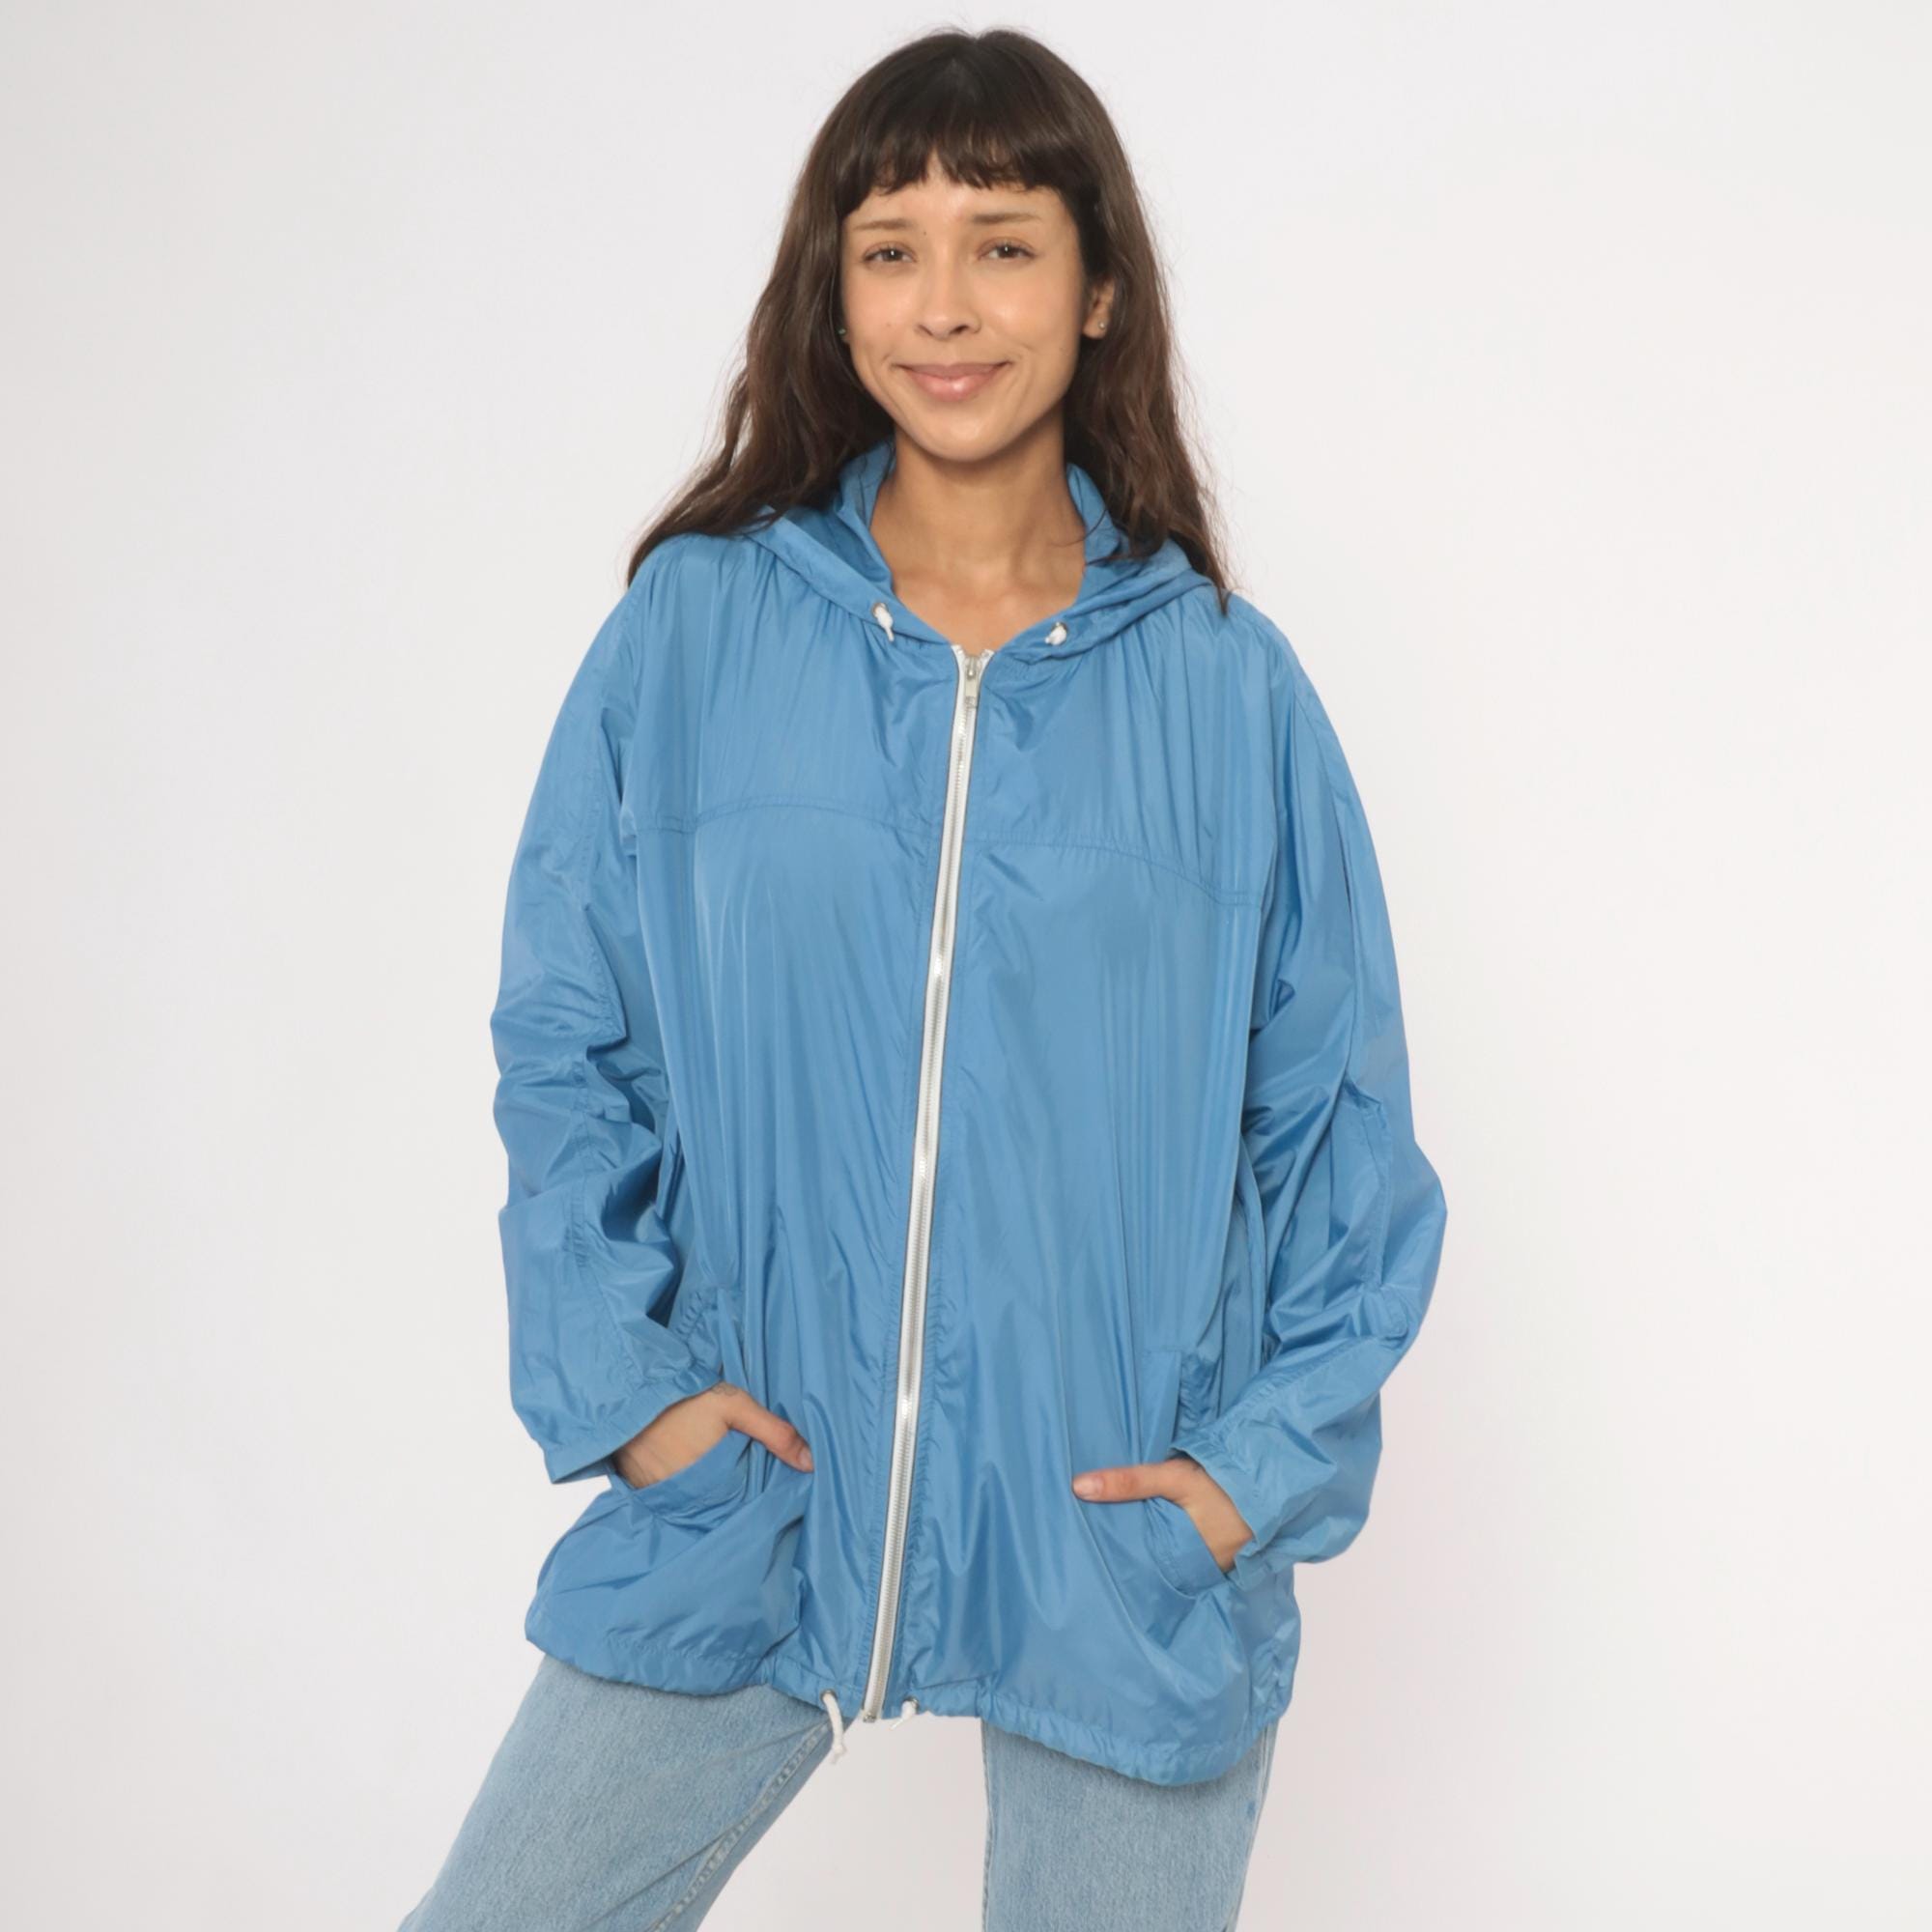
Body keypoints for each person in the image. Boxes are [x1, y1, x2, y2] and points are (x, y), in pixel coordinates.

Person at [398, 25, 1447, 1931]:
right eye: (890, 249)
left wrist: (1246, 1478)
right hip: (754, 1493)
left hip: (1117, 1541)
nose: (942, 306)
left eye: (1003, 244)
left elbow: (1339, 1134)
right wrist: (633, 1388)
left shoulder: (1227, 693)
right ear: (835, 289)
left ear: (1100, 288)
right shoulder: (696, 631)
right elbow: (568, 1035)